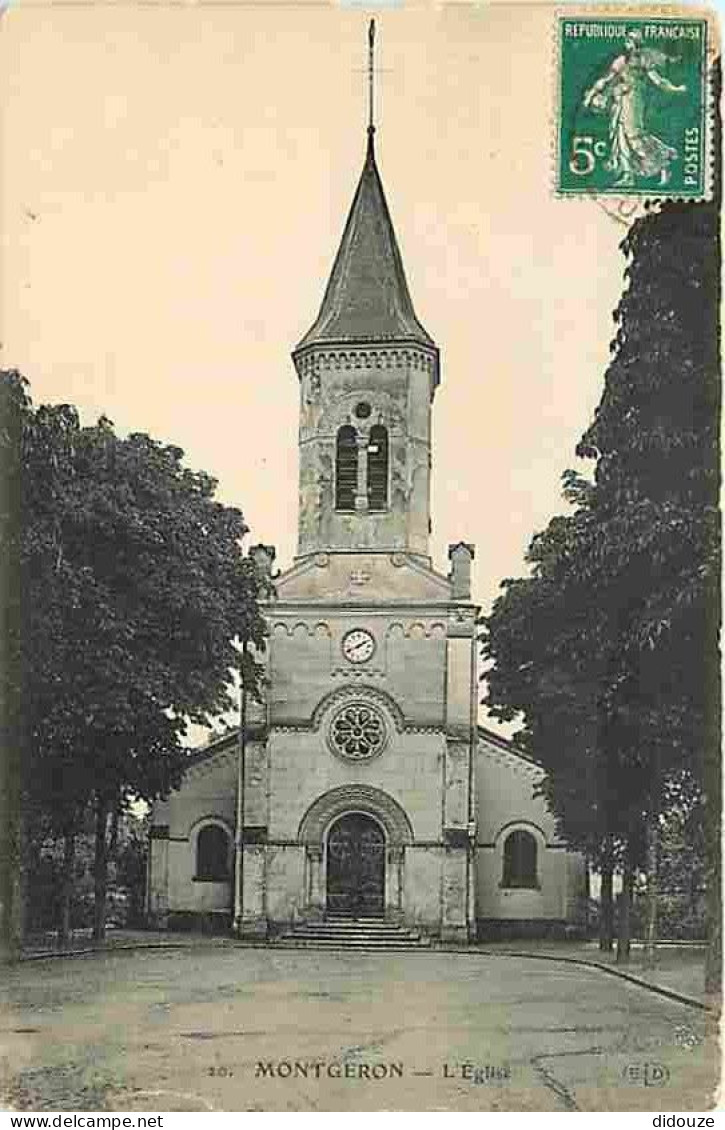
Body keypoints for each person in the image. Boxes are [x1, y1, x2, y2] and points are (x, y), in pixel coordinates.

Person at [583, 29, 686, 187]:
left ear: (637, 43)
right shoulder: (621, 60)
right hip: (619, 101)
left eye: (631, 40)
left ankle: (663, 165)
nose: (628, 43)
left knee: (634, 135)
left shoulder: (643, 60)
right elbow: (606, 79)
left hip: (634, 101)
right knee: (620, 137)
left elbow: (658, 81)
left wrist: (675, 89)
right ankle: (627, 175)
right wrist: (592, 95)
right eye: (627, 40)